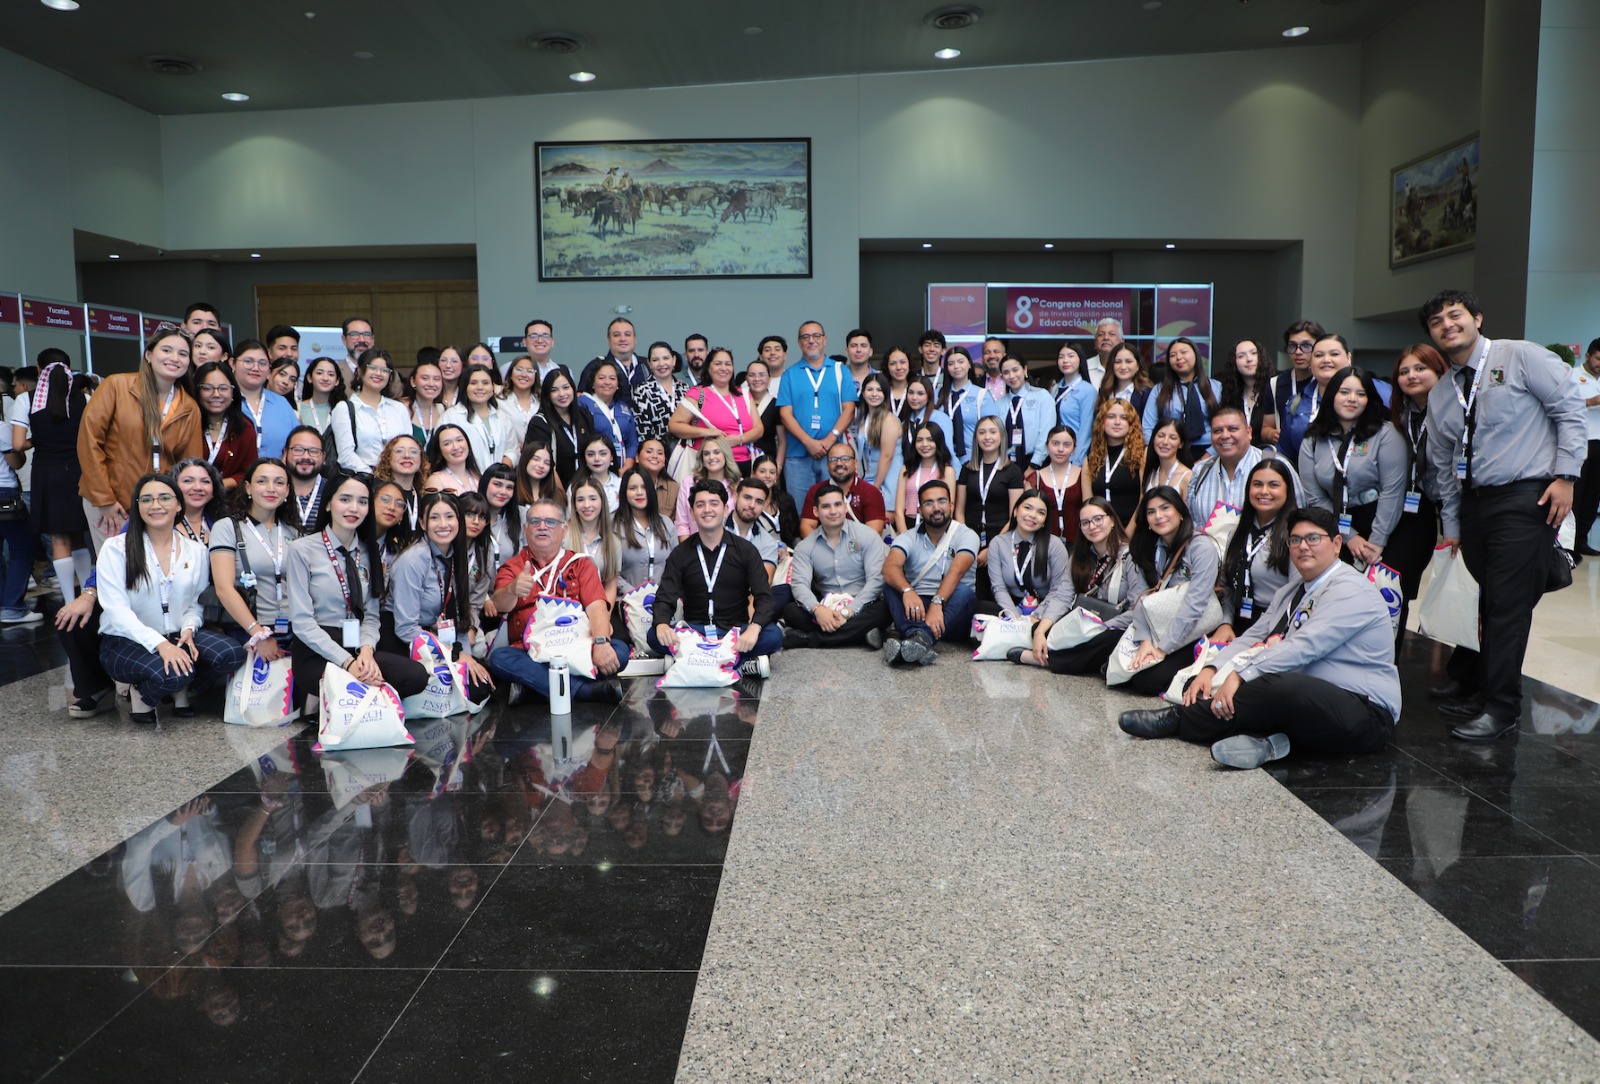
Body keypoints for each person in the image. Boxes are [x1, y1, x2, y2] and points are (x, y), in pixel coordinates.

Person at [1421, 289, 1587, 742]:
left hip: (1526, 497)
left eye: (1454, 315)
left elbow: (1569, 410)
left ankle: (1501, 708)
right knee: (1490, 601)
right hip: (1475, 505)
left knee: (1507, 607)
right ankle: (1483, 692)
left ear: (1477, 317)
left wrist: (1567, 476)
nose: (1447, 325)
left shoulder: (1520, 357)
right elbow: (1443, 465)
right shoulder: (1442, 392)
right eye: (1436, 322)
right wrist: (1452, 525)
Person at [1117, 507, 1400, 771]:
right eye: (1295, 540)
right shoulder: (1294, 589)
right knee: (1268, 685)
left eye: (1313, 538)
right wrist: (1212, 668)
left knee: (1278, 685)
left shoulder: (1350, 589)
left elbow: (1305, 647)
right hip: (1314, 703)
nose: (1303, 546)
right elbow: (1254, 634)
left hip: (1364, 711)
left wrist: (1240, 675)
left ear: (1337, 544)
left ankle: (1175, 721)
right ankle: (1272, 744)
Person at [97, 473, 247, 724]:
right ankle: (142, 691)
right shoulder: (115, 548)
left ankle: (180, 684)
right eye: (146, 499)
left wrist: (189, 628)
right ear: (137, 506)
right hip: (126, 640)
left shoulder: (195, 551)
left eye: (164, 498)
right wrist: (161, 645)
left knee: (231, 654)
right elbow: (116, 612)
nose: (155, 505)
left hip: (177, 633)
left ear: (178, 505)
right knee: (174, 675)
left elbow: (196, 603)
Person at [1043, 486, 1219, 694]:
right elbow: (1144, 600)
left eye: (1165, 508)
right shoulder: (1151, 547)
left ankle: (1055, 660)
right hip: (1157, 624)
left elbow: (1194, 606)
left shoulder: (1201, 547)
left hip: (1193, 629)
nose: (1158, 516)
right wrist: (1145, 641)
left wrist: (1162, 648)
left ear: (1181, 512)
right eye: (1151, 512)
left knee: (1146, 681)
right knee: (1128, 666)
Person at [286, 473, 428, 714]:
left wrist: (366, 652)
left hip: (357, 644)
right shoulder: (302, 550)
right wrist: (347, 663)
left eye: (362, 501)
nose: (354, 508)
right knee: (350, 680)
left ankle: (349, 703)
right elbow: (302, 623)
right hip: (317, 648)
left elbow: (371, 616)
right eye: (345, 499)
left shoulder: (368, 551)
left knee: (415, 675)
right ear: (328, 504)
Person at [488, 496, 629, 704]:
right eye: (535, 521)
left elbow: (596, 606)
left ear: (564, 530)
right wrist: (512, 589)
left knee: (619, 651)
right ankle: (585, 691)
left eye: (551, 522)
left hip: (577, 647)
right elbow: (500, 604)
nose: (542, 527)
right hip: (531, 654)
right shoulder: (514, 566)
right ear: (526, 529)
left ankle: (534, 688)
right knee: (500, 659)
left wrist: (601, 642)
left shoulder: (580, 564)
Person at [77, 325, 203, 553]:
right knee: (117, 567)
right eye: (166, 350)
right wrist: (104, 499)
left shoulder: (189, 407)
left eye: (183, 354)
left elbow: (189, 466)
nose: (175, 358)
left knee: (153, 567)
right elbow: (89, 442)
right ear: (149, 355)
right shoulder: (117, 386)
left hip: (158, 505)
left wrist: (174, 506)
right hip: (111, 501)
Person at [649, 478, 781, 673]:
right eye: (700, 505)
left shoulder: (746, 550)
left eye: (714, 503)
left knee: (773, 635)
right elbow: (664, 597)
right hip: (695, 632)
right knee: (653, 635)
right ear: (692, 512)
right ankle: (736, 663)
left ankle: (692, 662)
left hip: (734, 632)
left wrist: (754, 627)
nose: (707, 510)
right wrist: (661, 624)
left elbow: (765, 597)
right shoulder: (681, 553)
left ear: (726, 509)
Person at [382, 492, 495, 702]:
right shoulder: (413, 560)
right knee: (422, 678)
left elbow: (459, 615)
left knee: (480, 683)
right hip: (401, 638)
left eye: (450, 517)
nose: (443, 524)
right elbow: (405, 628)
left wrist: (466, 657)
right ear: (423, 523)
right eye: (434, 517)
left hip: (434, 634)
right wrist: (454, 655)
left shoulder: (455, 555)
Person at [1298, 365, 1408, 569]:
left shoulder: (1386, 433)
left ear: (1369, 399)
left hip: (1385, 523)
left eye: (1361, 394)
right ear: (1331, 395)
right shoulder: (1313, 439)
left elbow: (1392, 490)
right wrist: (1349, 536)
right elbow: (1315, 497)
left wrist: (1377, 541)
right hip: (1335, 523)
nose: (1352, 399)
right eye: (1344, 392)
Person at [1014, 497, 1137, 670]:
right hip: (1081, 623)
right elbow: (1063, 597)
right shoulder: (1079, 557)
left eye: (1098, 519)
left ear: (1112, 521)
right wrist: (1040, 632)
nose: (1092, 526)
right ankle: (1087, 661)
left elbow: (1137, 609)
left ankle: (1051, 660)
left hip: (1112, 626)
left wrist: (1100, 628)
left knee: (1109, 640)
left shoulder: (1130, 557)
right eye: (1085, 523)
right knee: (1040, 627)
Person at [1383, 344, 1449, 644]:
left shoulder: (1453, 410)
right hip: (1417, 502)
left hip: (1459, 502)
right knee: (1397, 580)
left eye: (1420, 368)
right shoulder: (1401, 415)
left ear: (1439, 371)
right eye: (1404, 371)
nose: (1411, 376)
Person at [18, 355, 91, 605]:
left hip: (46, 472)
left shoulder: (27, 399)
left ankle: (69, 602)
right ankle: (88, 596)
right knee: (79, 537)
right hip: (79, 471)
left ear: (40, 370)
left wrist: (37, 440)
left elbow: (18, 443)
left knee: (59, 539)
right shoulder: (84, 398)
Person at [881, 479, 979, 665]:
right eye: (928, 503)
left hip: (953, 609)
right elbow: (889, 567)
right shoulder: (908, 537)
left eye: (942, 501)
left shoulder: (967, 535)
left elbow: (957, 571)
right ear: (919, 510)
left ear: (951, 505)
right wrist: (908, 591)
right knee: (891, 586)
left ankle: (917, 637)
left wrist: (937, 602)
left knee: (964, 592)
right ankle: (919, 641)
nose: (936, 508)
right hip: (917, 606)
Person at [781, 482, 889, 650]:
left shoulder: (867, 536)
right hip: (826, 607)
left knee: (886, 609)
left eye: (838, 504)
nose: (833, 511)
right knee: (790, 611)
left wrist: (848, 611)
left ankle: (811, 639)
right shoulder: (805, 546)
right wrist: (818, 610)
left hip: (862, 605)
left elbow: (876, 581)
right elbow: (800, 584)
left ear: (845, 507)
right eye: (826, 506)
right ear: (816, 511)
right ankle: (861, 634)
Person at [209, 457, 299, 655]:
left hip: (294, 628)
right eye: (262, 481)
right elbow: (224, 589)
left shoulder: (293, 531)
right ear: (248, 488)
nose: (271, 488)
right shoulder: (227, 527)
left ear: (287, 491)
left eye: (279, 482)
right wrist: (258, 634)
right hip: (248, 629)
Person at [1212, 459, 1298, 642]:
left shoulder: (1295, 537)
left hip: (1276, 626)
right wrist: (1225, 623)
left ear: (1288, 490)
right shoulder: (1237, 533)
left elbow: (1297, 594)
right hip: (1236, 621)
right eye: (1257, 484)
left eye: (1273, 485)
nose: (1264, 491)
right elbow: (1228, 586)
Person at [987, 490, 1075, 663]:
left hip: (1044, 608)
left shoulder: (1055, 545)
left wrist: (1037, 615)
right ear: (1015, 511)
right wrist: (1014, 618)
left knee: (1062, 622)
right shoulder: (998, 543)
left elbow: (1058, 590)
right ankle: (1026, 642)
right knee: (980, 609)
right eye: (1027, 508)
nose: (1033, 515)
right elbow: (998, 587)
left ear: (1045, 521)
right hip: (1012, 607)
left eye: (1040, 512)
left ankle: (1023, 648)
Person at [775, 321, 856, 508]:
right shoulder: (790, 374)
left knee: (834, 508)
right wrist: (808, 442)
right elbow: (785, 415)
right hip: (798, 456)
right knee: (799, 509)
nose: (811, 340)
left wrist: (829, 440)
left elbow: (849, 409)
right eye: (806, 337)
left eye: (816, 336)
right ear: (799, 342)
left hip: (833, 454)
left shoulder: (840, 371)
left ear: (825, 340)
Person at [1184, 404, 1301, 529]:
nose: (1225, 435)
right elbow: (1194, 524)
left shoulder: (1277, 465)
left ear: (1248, 432)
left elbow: (1299, 514)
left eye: (1232, 429)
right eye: (1217, 431)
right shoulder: (1200, 471)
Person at [670, 345, 762, 475]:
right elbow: (674, 426)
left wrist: (740, 439)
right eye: (718, 363)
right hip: (712, 466)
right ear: (708, 367)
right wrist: (707, 432)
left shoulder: (744, 394)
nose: (724, 368)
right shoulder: (698, 393)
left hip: (745, 464)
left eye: (728, 364)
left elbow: (759, 429)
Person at [956, 417, 1025, 583]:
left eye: (993, 432)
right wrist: (967, 542)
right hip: (969, 537)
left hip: (1001, 538)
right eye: (982, 432)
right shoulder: (967, 469)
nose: (987, 437)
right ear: (976, 437)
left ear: (1002, 436)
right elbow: (959, 511)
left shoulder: (1013, 471)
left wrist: (991, 549)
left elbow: (1015, 516)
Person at [330, 349, 411, 475]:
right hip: (363, 478)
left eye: (384, 370)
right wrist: (374, 476)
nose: (378, 373)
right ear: (360, 371)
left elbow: (408, 446)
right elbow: (346, 456)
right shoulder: (344, 409)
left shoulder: (399, 408)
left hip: (398, 477)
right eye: (372, 368)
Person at [1141, 337, 1220, 455]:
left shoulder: (1216, 387)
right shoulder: (1159, 390)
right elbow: (1148, 427)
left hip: (1210, 451)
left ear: (1196, 355)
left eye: (1184, 352)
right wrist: (1160, 454)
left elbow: (1224, 425)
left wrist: (1209, 456)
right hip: (1170, 451)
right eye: (1173, 355)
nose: (1178, 357)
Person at [1081, 398, 1145, 533]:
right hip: (1100, 532)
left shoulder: (1141, 456)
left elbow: (1143, 498)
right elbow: (1088, 503)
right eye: (1111, 416)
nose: (1117, 422)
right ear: (1101, 422)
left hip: (1134, 533)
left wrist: (1127, 536)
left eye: (1124, 418)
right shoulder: (1090, 460)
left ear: (1131, 423)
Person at [980, 355, 1056, 469]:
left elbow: (1046, 432)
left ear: (1024, 370)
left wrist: (1034, 464)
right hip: (1006, 463)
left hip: (1037, 462)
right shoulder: (999, 404)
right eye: (1006, 372)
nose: (1011, 376)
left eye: (1015, 370)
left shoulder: (1042, 396)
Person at [193, 361, 258, 493]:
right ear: (197, 391)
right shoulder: (186, 423)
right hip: (188, 496)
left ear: (233, 392)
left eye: (223, 388)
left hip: (228, 499)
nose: (216, 394)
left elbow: (249, 472)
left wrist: (218, 485)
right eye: (207, 388)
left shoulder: (245, 428)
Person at [614, 465, 676, 598]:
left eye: (644, 487)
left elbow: (677, 566)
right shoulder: (614, 526)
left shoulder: (666, 523)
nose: (639, 492)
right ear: (624, 492)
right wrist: (637, 595)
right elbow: (611, 574)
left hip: (663, 600)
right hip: (628, 601)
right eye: (633, 488)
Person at [799, 442, 886, 537]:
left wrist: (848, 546)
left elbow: (874, 532)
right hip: (825, 544)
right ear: (827, 466)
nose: (839, 463)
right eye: (833, 460)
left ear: (855, 463)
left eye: (845, 459)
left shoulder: (871, 492)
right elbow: (806, 527)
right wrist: (823, 546)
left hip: (860, 544)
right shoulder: (816, 491)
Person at [525, 369, 591, 488]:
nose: (561, 394)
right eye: (554, 390)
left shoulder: (584, 415)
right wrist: (562, 495)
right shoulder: (540, 423)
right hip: (553, 488)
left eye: (566, 387)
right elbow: (543, 463)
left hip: (585, 486)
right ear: (547, 394)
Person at [232, 339, 298, 459]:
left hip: (278, 470)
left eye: (262, 363)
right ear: (233, 363)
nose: (255, 368)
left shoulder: (281, 404)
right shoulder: (223, 400)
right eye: (248, 361)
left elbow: (298, 443)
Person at [440, 363, 509, 470]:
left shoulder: (501, 416)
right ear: (465, 387)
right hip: (464, 478)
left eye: (485, 383)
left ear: (492, 387)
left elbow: (511, 450)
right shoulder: (450, 417)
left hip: (497, 478)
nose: (480, 387)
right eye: (473, 383)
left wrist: (500, 472)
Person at [575, 358, 640, 471]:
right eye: (601, 378)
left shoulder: (623, 407)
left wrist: (627, 466)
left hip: (622, 468)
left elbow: (632, 441)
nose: (607, 382)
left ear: (618, 384)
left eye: (612, 378)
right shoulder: (583, 403)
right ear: (592, 382)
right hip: (594, 467)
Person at [894, 422, 957, 536]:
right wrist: (905, 537)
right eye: (919, 440)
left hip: (936, 524)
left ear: (938, 442)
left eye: (930, 440)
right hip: (909, 524)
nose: (924, 444)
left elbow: (949, 509)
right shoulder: (906, 469)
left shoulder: (947, 471)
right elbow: (899, 510)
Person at [674, 435, 742, 540]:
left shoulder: (738, 484)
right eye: (706, 454)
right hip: (693, 546)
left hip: (731, 546)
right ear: (702, 458)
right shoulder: (688, 483)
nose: (711, 457)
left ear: (725, 455)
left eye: (716, 452)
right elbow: (682, 525)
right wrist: (688, 549)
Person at [852, 373, 902, 515]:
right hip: (869, 474)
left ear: (885, 394)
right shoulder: (863, 418)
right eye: (870, 389)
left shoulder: (889, 420)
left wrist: (875, 487)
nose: (874, 394)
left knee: (882, 519)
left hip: (887, 476)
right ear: (863, 393)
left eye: (879, 390)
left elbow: (887, 456)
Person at [1273, 320, 1323, 462]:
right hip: (1291, 457)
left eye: (1306, 346)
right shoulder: (1275, 384)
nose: (1298, 352)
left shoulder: (1328, 384)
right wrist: (1271, 434)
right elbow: (1266, 427)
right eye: (1292, 346)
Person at [567, 476, 619, 605]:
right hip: (567, 608)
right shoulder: (563, 534)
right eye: (580, 500)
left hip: (599, 608)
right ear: (574, 505)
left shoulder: (613, 542)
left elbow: (610, 587)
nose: (586, 505)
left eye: (593, 499)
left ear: (602, 502)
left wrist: (603, 615)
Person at [1219, 338, 1279, 448]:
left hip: (1268, 454)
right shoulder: (1230, 394)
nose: (1249, 359)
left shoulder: (1275, 387)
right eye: (1241, 356)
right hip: (1239, 454)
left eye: (1254, 353)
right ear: (1234, 362)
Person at [1027, 424, 1082, 542]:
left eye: (1066, 445)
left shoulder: (1083, 475)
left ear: (1074, 449)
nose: (1060, 449)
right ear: (1047, 446)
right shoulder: (1035, 478)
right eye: (1055, 443)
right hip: (1044, 542)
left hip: (1078, 543)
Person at [578, 317, 648, 404]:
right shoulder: (596, 366)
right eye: (616, 335)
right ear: (609, 340)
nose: (622, 339)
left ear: (634, 339)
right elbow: (582, 400)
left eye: (627, 334)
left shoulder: (647, 365)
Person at [1573, 337, 1600, 556]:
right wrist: (1590, 402)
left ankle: (1582, 540)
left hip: (1599, 443)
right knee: (1576, 494)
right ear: (1588, 356)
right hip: (1579, 442)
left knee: (1593, 496)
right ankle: (1567, 541)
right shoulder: (1571, 376)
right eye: (1598, 359)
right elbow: (1562, 405)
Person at [1051, 341, 1096, 466]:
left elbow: (1086, 430)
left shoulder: (1087, 390)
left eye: (1071, 356)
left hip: (1074, 457)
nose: (1065, 360)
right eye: (1061, 357)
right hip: (1055, 454)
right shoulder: (1055, 389)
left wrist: (1076, 462)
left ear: (1080, 360)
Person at [937, 346, 982, 468]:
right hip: (941, 459)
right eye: (951, 363)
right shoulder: (937, 395)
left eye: (961, 362)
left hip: (972, 460)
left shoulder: (982, 395)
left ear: (969, 364)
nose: (956, 366)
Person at [634, 340, 685, 448]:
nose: (661, 363)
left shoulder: (685, 389)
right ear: (649, 364)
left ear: (674, 360)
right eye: (655, 360)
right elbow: (643, 433)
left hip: (687, 452)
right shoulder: (642, 392)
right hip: (658, 453)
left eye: (666, 358)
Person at [496, 353, 541, 467]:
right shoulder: (498, 400)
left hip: (538, 462)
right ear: (511, 374)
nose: (524, 374)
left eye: (530, 371)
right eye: (519, 370)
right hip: (509, 460)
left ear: (536, 376)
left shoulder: (541, 402)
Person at [283, 425, 331, 528]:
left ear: (324, 457)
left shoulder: (333, 492)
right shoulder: (275, 490)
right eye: (298, 450)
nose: (306, 457)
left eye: (314, 451)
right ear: (285, 453)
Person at [374, 434, 425, 528]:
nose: (407, 456)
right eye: (399, 451)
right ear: (388, 457)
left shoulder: (422, 495)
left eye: (413, 452)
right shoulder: (376, 490)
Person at [739, 359, 782, 467]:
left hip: (766, 465)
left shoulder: (777, 405)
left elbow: (782, 442)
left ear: (769, 378)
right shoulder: (737, 402)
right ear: (746, 378)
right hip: (740, 461)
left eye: (762, 375)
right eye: (752, 375)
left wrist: (778, 468)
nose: (757, 379)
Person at [1097, 341, 1153, 416]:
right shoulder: (1104, 391)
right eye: (1118, 362)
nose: (1123, 367)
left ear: (1138, 366)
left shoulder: (1147, 394)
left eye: (1128, 361)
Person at [424, 423, 481, 496]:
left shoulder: (477, 475)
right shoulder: (436, 480)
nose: (456, 447)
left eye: (459, 440)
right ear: (439, 450)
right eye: (447, 443)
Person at [1142, 418, 1193, 498]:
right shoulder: (1150, 473)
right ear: (1153, 439)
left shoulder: (1188, 477)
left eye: (1173, 438)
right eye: (1161, 436)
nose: (1165, 442)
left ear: (1181, 444)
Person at [572, 432, 622, 511]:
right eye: (591, 454)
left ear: (611, 456)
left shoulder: (621, 484)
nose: (597, 459)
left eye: (603, 454)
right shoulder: (575, 487)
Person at [298, 357, 347, 435]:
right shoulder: (298, 409)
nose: (325, 378)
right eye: (319, 373)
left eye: (331, 374)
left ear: (337, 381)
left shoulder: (343, 409)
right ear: (309, 378)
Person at [635, 437, 679, 521]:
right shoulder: (627, 482)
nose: (655, 456)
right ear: (637, 457)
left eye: (660, 453)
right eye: (649, 451)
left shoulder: (674, 488)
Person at [522, 319, 569, 386]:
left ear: (552, 342)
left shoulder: (563, 371)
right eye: (534, 336)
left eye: (545, 336)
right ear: (524, 342)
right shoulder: (511, 369)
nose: (540, 340)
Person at [339, 318, 376, 389]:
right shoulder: (334, 372)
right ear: (344, 340)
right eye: (354, 334)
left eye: (367, 334)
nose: (361, 340)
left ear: (373, 340)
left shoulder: (388, 374)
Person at [1088, 318, 1121, 387]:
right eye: (1101, 334)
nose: (1106, 338)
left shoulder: (1128, 367)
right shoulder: (1085, 367)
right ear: (1095, 342)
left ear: (1121, 341)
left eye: (1112, 334)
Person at [882, 347, 914, 415]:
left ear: (909, 364)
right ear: (887, 366)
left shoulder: (916, 391)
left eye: (902, 362)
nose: (898, 367)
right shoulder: (881, 392)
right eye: (893, 363)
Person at [844, 328, 875, 394]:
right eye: (854, 346)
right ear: (847, 351)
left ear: (870, 351)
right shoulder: (838, 377)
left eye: (863, 346)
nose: (858, 350)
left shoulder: (879, 377)